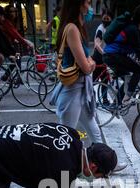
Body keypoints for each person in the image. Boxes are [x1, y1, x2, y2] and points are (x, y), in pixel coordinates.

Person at [51, 0, 127, 172]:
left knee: (94, 131)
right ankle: (62, 170)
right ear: (78, 5)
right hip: (72, 92)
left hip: (80, 91)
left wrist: (89, 62)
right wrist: (91, 63)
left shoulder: (75, 27)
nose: (90, 7)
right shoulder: (71, 28)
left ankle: (108, 163)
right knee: (67, 136)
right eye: (88, 2)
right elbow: (85, 66)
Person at [103, 4, 140, 105]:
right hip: (113, 56)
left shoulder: (135, 29)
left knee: (128, 79)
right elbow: (139, 50)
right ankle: (127, 98)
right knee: (138, 70)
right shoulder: (132, 29)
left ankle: (116, 104)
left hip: (113, 55)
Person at [92, 9, 113, 102]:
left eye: (108, 19)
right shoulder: (101, 29)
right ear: (102, 18)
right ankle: (88, 96)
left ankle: (104, 100)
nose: (106, 20)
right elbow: (97, 44)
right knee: (94, 80)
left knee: (105, 80)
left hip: (104, 57)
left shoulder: (109, 28)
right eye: (105, 18)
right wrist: (105, 54)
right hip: (98, 57)